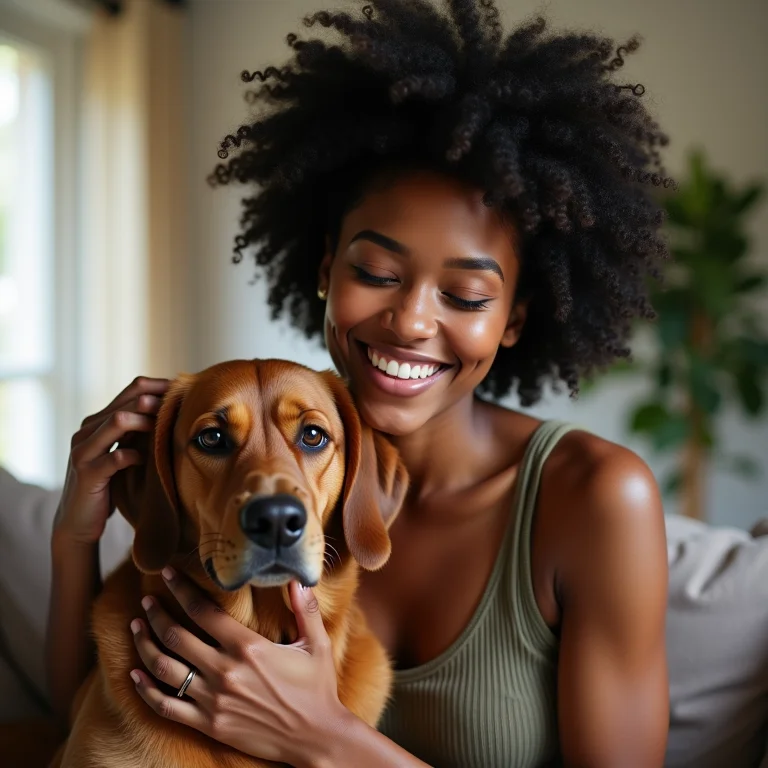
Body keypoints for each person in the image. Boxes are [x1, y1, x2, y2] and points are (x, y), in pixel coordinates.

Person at [47, 2, 671, 766]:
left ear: (513, 318)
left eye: (466, 296)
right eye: (375, 273)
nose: (410, 321)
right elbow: (82, 713)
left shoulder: (602, 499)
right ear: (324, 274)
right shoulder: (226, 505)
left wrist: (330, 741)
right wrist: (76, 531)